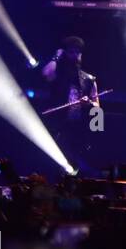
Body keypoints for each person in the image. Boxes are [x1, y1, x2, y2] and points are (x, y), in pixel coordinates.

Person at [39, 36, 100, 168]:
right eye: (71, 52)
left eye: (77, 52)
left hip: (78, 129)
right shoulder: (57, 75)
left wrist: (89, 103)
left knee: (77, 162)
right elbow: (45, 74)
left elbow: (97, 108)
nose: (75, 55)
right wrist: (56, 57)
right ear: (65, 53)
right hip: (58, 127)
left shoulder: (89, 79)